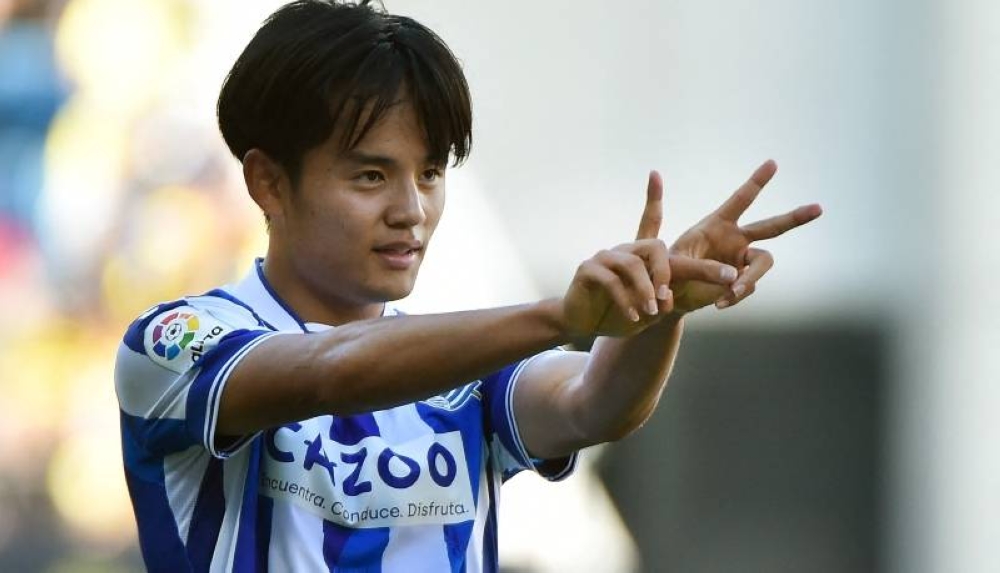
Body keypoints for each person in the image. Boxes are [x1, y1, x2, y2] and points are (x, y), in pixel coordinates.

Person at [114, 1, 822, 571]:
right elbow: (331, 371)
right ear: (268, 181)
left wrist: (663, 306)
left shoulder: (467, 369)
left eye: (430, 173)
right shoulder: (173, 345)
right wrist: (560, 316)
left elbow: (592, 403)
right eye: (371, 175)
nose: (411, 210)